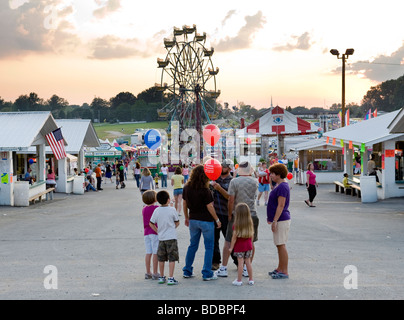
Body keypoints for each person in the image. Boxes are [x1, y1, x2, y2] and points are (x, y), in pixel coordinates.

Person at [217, 161, 258, 278]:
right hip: (252, 213)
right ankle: (246, 267)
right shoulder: (255, 181)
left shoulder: (234, 181)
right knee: (251, 241)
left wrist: (230, 214)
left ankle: (224, 268)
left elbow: (231, 200)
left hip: (237, 214)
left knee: (229, 240)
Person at [182, 165, 222, 281]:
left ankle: (187, 270)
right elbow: (209, 206)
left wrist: (186, 217)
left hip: (193, 219)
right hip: (206, 221)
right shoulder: (206, 190)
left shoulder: (187, 187)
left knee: (192, 245)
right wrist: (217, 219)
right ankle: (206, 272)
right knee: (209, 247)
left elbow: (184, 204)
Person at [149, 190, 180, 285]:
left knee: (161, 258)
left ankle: (162, 277)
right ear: (168, 200)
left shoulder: (157, 210)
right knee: (172, 258)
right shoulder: (172, 209)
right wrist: (172, 228)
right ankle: (171, 277)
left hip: (161, 238)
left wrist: (157, 230)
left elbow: (151, 223)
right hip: (171, 237)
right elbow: (177, 222)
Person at [267, 163, 291, 279]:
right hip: (280, 219)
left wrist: (275, 220)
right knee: (279, 245)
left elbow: (280, 205)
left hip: (281, 219)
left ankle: (284, 270)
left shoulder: (282, 186)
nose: (270, 175)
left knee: (281, 245)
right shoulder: (279, 185)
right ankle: (280, 268)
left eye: (272, 173)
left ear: (278, 174)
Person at [210, 159, 233, 270]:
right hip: (214, 213)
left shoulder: (232, 181)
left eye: (223, 167)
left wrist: (219, 188)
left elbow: (229, 196)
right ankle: (215, 262)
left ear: (229, 169)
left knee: (229, 238)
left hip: (225, 213)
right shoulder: (215, 178)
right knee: (214, 239)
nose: (221, 168)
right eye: (221, 166)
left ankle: (238, 261)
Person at [229, 203, 254, 286]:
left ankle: (239, 280)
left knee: (240, 263)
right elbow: (252, 236)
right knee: (248, 263)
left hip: (240, 247)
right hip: (249, 246)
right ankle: (251, 279)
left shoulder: (236, 225)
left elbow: (234, 238)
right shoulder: (250, 223)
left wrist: (231, 248)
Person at [142, 190, 160, 280]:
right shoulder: (156, 208)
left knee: (148, 252)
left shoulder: (144, 208)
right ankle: (155, 272)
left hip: (146, 232)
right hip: (154, 231)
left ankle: (148, 272)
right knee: (155, 252)